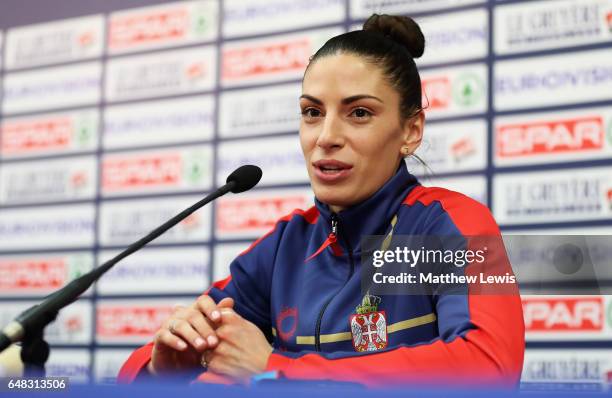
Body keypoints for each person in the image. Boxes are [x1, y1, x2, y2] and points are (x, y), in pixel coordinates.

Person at [118, 14, 525, 388]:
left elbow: (488, 368)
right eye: (312, 112)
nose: (326, 136)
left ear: (411, 131)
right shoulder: (285, 246)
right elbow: (138, 370)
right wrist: (161, 369)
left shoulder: (445, 224)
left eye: (360, 113)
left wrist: (276, 370)